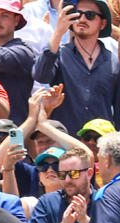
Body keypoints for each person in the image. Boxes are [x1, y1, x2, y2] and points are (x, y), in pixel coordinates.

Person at [32, 0, 120, 136]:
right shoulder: (58, 55)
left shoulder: (114, 62)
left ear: (102, 23)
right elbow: (40, 75)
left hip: (100, 145)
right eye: (77, 14)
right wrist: (58, 32)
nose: (82, 19)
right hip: (64, 146)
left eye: (89, 15)